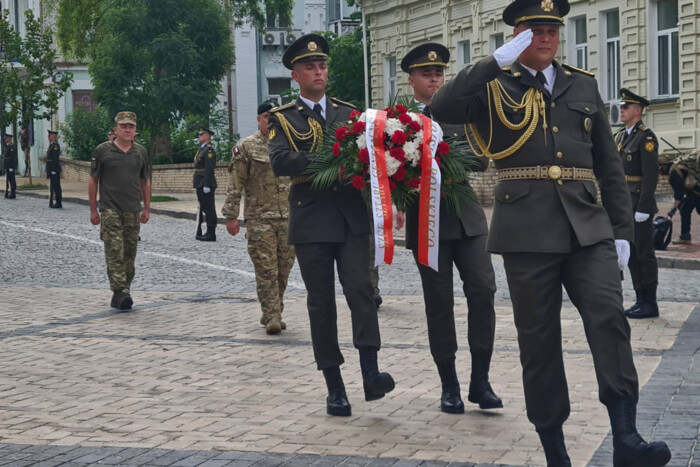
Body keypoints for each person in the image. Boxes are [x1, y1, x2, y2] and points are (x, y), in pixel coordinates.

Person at [430, 0, 671, 465]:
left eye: (551, 29)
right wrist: (493, 61)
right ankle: (555, 449)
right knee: (538, 340)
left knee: (610, 321)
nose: (545, 37)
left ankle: (627, 437)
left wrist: (621, 229)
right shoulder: (494, 82)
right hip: (525, 229)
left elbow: (608, 164)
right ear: (517, 35)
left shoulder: (582, 83)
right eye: (534, 29)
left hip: (587, 226)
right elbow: (442, 108)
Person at [268, 34, 394, 417]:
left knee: (361, 290)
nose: (318, 71)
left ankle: (371, 373)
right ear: (295, 75)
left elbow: (369, 155)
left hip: (351, 217)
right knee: (321, 304)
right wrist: (331, 159)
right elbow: (281, 162)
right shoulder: (282, 118)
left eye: (322, 66)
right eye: (310, 67)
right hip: (311, 220)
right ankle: (335, 387)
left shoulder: (349, 112)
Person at [400, 43, 501, 414]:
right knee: (439, 304)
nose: (435, 79)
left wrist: (438, 155)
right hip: (427, 222)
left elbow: (480, 157)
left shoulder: (463, 112)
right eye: (427, 74)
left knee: (483, 290)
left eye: (439, 73)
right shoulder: (399, 122)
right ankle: (449, 385)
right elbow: (390, 170)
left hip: (468, 218)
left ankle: (481, 380)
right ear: (411, 80)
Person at [223, 101, 296, 335]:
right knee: (266, 268)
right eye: (267, 116)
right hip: (259, 218)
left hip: (288, 218)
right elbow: (236, 183)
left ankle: (274, 310)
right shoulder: (247, 147)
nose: (271, 121)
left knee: (284, 269)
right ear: (258, 119)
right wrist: (232, 215)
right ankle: (273, 314)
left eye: (275, 117)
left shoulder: (290, 144)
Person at [89, 111, 151, 310]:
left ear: (135, 130)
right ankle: (121, 290)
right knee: (115, 250)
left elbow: (145, 181)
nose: (127, 129)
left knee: (129, 255)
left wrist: (147, 208)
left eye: (131, 126)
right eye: (123, 126)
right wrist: (93, 210)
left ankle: (122, 291)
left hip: (132, 209)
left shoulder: (140, 152)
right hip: (110, 209)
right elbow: (93, 180)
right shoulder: (103, 151)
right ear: (115, 129)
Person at [614, 89, 660, 319]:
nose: (621, 110)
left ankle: (650, 303)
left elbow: (651, 176)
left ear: (637, 111)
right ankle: (640, 299)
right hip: (624, 203)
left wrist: (644, 207)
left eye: (626, 106)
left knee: (644, 253)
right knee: (629, 252)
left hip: (638, 203)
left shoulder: (646, 137)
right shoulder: (621, 136)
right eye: (621, 106)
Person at [668, 151, 700, 245]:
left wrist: (673, 209)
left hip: (696, 191)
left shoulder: (674, 172)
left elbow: (679, 194)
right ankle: (685, 236)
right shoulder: (678, 166)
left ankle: (685, 237)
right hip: (696, 190)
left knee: (685, 209)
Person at [193, 127, 218, 241]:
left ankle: (211, 232)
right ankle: (205, 231)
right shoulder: (202, 149)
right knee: (203, 207)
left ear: (207, 136)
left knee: (209, 208)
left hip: (205, 182)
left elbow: (209, 168)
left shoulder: (209, 150)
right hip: (200, 182)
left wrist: (207, 184)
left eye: (201, 134)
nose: (199, 136)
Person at [46, 130, 63, 209]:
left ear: (53, 136)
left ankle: (58, 202)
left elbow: (55, 159)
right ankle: (55, 201)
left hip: (54, 169)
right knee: (53, 186)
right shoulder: (51, 145)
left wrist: (53, 169)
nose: (49, 137)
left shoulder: (55, 146)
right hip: (51, 169)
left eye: (50, 135)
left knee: (56, 186)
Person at [3, 133, 17, 199]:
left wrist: (11, 167)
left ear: (10, 139)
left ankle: (13, 193)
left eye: (6, 138)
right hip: (8, 166)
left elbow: (12, 158)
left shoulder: (11, 147)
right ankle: (9, 192)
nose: (5, 139)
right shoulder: (8, 146)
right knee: (8, 180)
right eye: (5, 138)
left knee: (12, 180)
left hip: (10, 166)